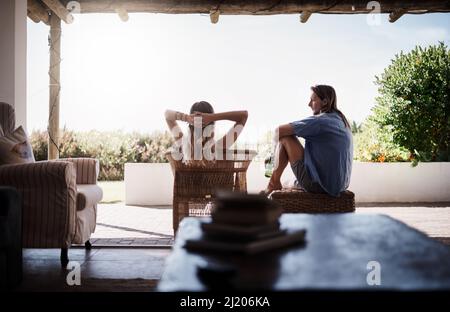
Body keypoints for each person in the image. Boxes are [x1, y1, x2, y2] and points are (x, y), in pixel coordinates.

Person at [263, 85, 353, 197]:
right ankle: (278, 182)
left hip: (320, 185)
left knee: (285, 137)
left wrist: (271, 159)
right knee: (287, 182)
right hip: (340, 185)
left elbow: (278, 131)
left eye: (313, 100)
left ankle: (272, 184)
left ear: (325, 102)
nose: (309, 104)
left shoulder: (321, 121)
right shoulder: (341, 121)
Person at [164, 101, 248, 161]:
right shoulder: (218, 147)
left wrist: (186, 117)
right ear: (212, 126)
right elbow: (243, 116)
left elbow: (167, 115)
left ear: (190, 126)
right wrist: (213, 117)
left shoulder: (182, 144)